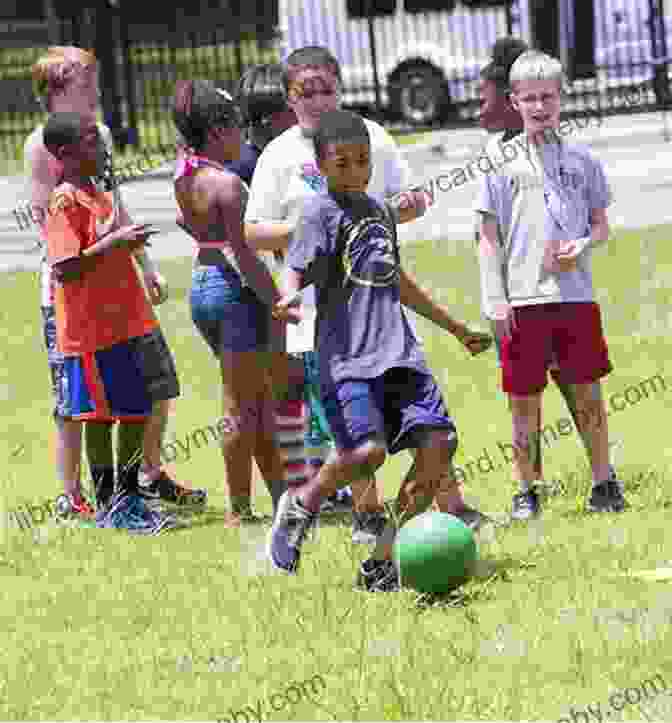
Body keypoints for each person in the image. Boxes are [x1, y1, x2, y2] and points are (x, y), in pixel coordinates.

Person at [245, 46, 486, 544]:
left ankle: (447, 507)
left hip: (380, 310)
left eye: (325, 89)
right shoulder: (279, 155)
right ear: (289, 98)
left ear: (340, 87)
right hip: (322, 322)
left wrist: (401, 205)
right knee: (359, 435)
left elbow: (407, 204)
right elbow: (254, 232)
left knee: (428, 427)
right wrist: (313, 230)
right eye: (304, 91)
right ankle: (368, 515)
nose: (316, 99)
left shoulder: (372, 136)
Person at [26, 46, 203, 515]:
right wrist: (110, 242)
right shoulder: (49, 160)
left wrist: (142, 261)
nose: (96, 87)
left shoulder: (97, 151)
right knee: (85, 406)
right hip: (83, 311)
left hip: (122, 306)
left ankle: (139, 482)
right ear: (60, 86)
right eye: (86, 78)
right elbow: (62, 246)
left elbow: (113, 210)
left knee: (145, 393)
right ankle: (84, 496)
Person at [475, 51, 626, 520]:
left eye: (548, 97)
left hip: (575, 298)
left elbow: (601, 226)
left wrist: (582, 246)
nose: (540, 107)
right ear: (514, 102)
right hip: (523, 299)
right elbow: (487, 237)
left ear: (562, 99)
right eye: (530, 98)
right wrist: (495, 299)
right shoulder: (499, 162)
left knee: (588, 393)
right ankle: (526, 489)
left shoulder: (583, 160)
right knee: (524, 403)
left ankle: (604, 481)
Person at [43, 112, 180, 532]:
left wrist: (132, 248)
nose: (102, 146)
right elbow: (64, 266)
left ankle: (129, 497)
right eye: (91, 139)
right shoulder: (65, 200)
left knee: (137, 411)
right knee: (100, 418)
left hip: (129, 325)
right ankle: (110, 501)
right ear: (65, 153)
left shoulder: (100, 195)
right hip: (92, 334)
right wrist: (115, 242)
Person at [172, 80, 295, 523]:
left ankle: (283, 498)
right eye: (238, 128)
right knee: (240, 406)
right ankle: (239, 511)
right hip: (233, 294)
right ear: (219, 129)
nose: (243, 138)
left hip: (203, 284)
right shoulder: (229, 186)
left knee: (253, 401)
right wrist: (278, 301)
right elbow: (246, 257)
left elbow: (192, 228)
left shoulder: (184, 176)